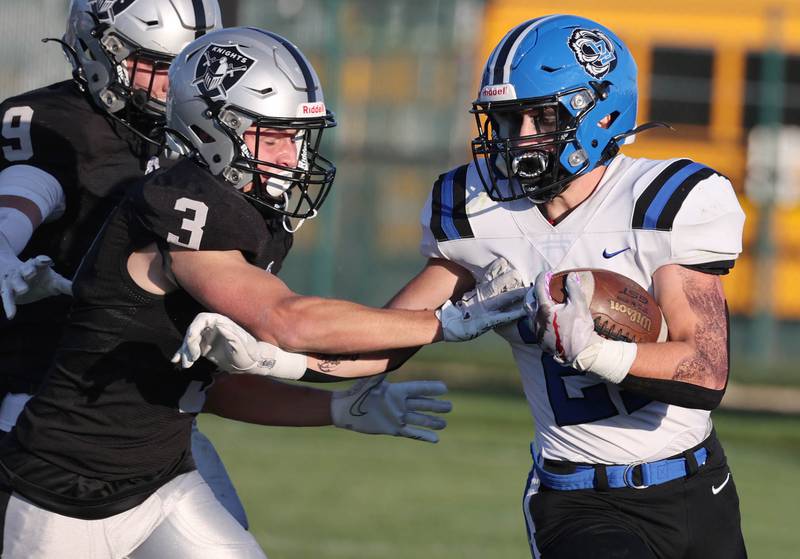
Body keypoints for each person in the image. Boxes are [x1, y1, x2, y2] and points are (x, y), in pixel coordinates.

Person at [179, 15, 748, 559]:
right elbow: (384, 342)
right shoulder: (477, 210)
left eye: (541, 120)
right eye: (506, 122)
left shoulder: (664, 199)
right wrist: (277, 361)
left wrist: (598, 351)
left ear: (600, 114)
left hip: (700, 485)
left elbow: (704, 371)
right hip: (581, 498)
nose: (520, 140)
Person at [0, 26, 521, 559]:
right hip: (60, 487)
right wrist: (445, 323)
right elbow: (288, 323)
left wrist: (338, 409)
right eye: (273, 136)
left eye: (299, 137)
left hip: (159, 479)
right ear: (213, 130)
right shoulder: (184, 201)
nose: (293, 157)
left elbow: (222, 382)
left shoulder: (255, 215)